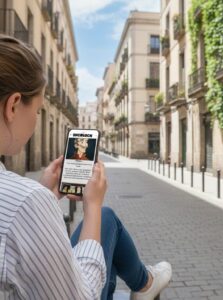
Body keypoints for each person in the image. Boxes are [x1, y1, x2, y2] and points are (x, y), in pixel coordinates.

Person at [0, 34, 172, 300]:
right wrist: (91, 207)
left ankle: (145, 283)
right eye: (36, 111)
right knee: (105, 218)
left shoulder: (28, 199)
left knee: (107, 219)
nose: (36, 120)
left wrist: (48, 194)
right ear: (13, 106)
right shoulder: (25, 202)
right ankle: (145, 283)